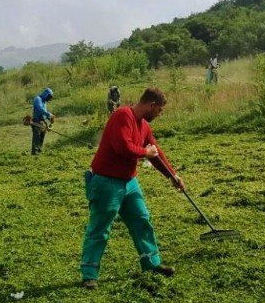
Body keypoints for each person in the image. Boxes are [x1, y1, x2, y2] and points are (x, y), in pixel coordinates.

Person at [80, 87, 186, 289]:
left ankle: (152, 264)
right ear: (151, 105)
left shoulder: (144, 125)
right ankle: (89, 274)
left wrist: (172, 175)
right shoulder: (123, 116)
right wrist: (145, 152)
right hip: (105, 182)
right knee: (100, 228)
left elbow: (155, 153)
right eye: (159, 111)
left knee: (142, 220)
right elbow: (123, 148)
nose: (159, 115)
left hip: (129, 182)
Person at [30, 87, 55, 155]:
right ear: (45, 94)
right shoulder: (38, 99)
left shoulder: (44, 102)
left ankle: (39, 150)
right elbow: (41, 109)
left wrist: (49, 118)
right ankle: (34, 152)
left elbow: (45, 112)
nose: (49, 98)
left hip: (42, 121)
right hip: (36, 121)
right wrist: (49, 114)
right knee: (36, 136)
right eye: (49, 96)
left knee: (42, 136)